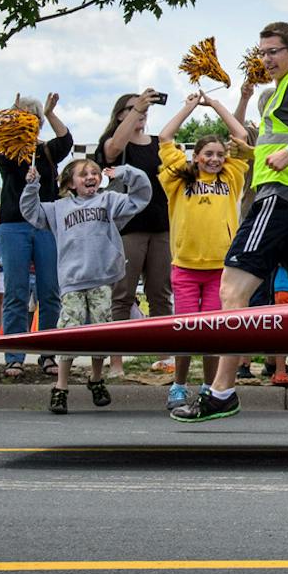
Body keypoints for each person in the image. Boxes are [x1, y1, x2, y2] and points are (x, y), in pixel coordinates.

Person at [172, 22, 288, 424]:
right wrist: (251, 142)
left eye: (274, 52)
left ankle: (221, 392)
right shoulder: (277, 95)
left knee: (231, 292)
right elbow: (270, 145)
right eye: (263, 52)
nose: (267, 59)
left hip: (280, 201)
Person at [25, 158, 152, 415]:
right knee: (69, 332)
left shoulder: (109, 201)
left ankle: (96, 379)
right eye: (83, 174)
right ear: (70, 183)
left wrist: (125, 172)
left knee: (100, 332)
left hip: (102, 278)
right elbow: (32, 212)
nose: (90, 176)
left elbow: (142, 195)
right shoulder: (58, 208)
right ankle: (61, 386)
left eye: (94, 172)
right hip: (72, 281)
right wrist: (32, 185)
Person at [154, 89, 253, 409]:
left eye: (218, 154)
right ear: (195, 156)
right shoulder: (178, 178)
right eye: (207, 154)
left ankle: (210, 388)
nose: (214, 159)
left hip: (219, 269)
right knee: (185, 332)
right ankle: (178, 386)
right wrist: (190, 106)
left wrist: (215, 103)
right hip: (184, 266)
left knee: (213, 334)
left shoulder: (233, 175)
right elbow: (165, 136)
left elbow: (239, 134)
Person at [0, 93, 73, 379]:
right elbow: (8, 162)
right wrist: (12, 118)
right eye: (24, 116)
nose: (30, 121)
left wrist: (51, 114)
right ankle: (14, 356)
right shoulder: (5, 147)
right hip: (14, 224)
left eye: (34, 117)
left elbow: (66, 141)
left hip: (46, 223)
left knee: (50, 291)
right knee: (15, 290)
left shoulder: (47, 150)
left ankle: (48, 353)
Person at [100, 89, 175, 372]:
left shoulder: (158, 143)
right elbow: (111, 152)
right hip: (128, 229)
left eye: (144, 107)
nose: (142, 111)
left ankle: (164, 356)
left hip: (161, 227)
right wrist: (134, 112)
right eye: (133, 107)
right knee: (123, 294)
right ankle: (116, 360)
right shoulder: (114, 145)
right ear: (121, 114)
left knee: (159, 293)